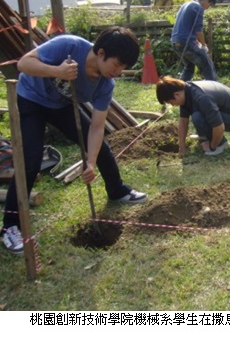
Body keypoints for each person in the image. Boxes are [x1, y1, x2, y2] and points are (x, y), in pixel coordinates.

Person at [2, 27, 148, 255]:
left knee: (100, 149)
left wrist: (90, 163)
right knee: (29, 161)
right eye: (116, 65)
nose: (118, 72)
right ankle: (10, 227)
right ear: (101, 53)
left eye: (124, 68)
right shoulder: (68, 45)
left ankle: (117, 190)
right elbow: (23, 64)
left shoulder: (105, 85)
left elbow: (98, 127)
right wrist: (56, 71)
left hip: (60, 106)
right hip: (31, 98)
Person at [156, 76, 230, 157]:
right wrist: (182, 147)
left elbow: (219, 127)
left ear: (176, 95)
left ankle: (220, 144)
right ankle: (207, 138)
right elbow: (183, 121)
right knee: (198, 115)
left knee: (197, 116)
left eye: (171, 102)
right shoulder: (186, 92)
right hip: (222, 113)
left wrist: (212, 147)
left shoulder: (202, 97)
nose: (173, 105)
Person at [171, 0, 218, 81]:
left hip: (175, 41)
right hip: (186, 42)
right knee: (207, 64)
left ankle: (180, 88)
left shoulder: (186, 4)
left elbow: (186, 27)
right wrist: (204, 46)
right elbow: (198, 31)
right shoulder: (198, 7)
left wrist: (197, 42)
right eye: (210, 4)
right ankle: (215, 88)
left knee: (189, 67)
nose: (208, 7)